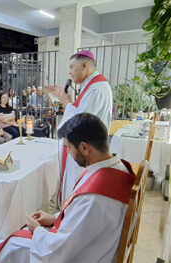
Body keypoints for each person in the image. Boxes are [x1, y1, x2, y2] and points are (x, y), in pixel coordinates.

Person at [0, 113, 135, 262]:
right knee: (18, 240)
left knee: (17, 245)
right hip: (98, 241)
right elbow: (83, 215)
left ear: (84, 148)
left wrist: (37, 230)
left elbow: (58, 250)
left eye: (69, 148)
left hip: (88, 255)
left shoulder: (94, 197)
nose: (69, 153)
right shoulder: (116, 166)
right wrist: (54, 217)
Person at [45, 50, 113, 210]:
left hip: (84, 151)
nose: (69, 72)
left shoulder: (97, 89)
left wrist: (66, 102)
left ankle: (67, 222)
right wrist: (67, 102)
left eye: (71, 67)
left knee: (76, 196)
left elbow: (81, 122)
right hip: (82, 149)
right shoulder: (92, 87)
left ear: (84, 65)